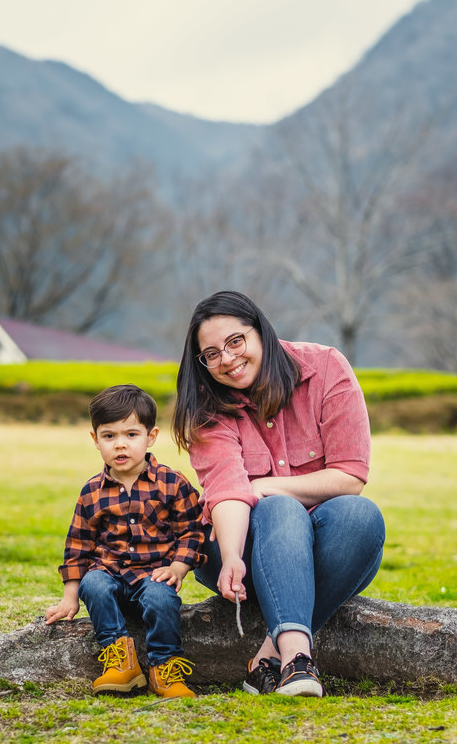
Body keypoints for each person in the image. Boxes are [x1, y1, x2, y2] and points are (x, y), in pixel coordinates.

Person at [172, 291, 385, 698]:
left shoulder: (325, 368)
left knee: (362, 517)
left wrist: (265, 485)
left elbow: (350, 476)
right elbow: (228, 492)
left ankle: (268, 658)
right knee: (280, 510)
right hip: (240, 550)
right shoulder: (206, 406)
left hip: (326, 547)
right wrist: (233, 556)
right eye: (211, 354)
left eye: (236, 341)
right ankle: (298, 660)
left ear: (262, 331)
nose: (228, 359)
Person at [45, 384, 206, 698]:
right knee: (93, 583)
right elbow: (78, 545)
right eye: (109, 436)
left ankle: (165, 668)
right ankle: (121, 662)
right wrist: (69, 598)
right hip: (110, 573)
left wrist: (178, 567)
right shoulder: (92, 491)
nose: (120, 445)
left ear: (151, 436)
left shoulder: (172, 483)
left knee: (161, 599)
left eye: (131, 435)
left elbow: (193, 530)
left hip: (155, 574)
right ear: (95, 440)